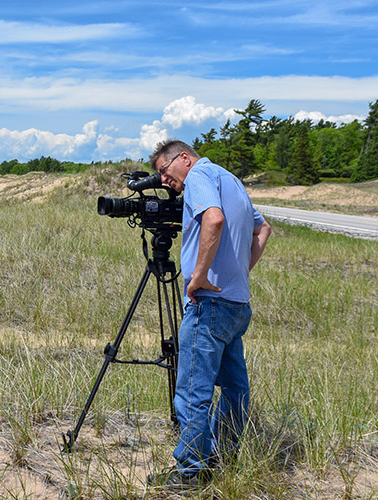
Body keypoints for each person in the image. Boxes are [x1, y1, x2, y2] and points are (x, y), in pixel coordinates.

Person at [148, 139, 272, 487]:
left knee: (192, 390)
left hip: (210, 304)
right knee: (234, 388)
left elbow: (213, 221)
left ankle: (191, 471)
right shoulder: (230, 179)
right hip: (236, 303)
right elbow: (263, 229)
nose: (163, 181)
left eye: (164, 171)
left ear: (183, 159)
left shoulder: (200, 176)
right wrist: (240, 271)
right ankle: (225, 455)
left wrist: (199, 274)